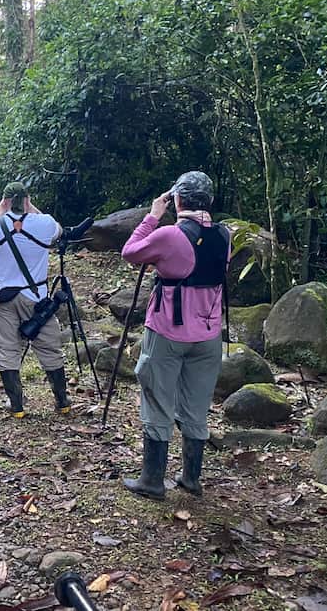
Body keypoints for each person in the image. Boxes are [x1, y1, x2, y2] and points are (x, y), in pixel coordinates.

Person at [120, 171, 230, 501]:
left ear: (177, 200)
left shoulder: (169, 234)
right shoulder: (225, 234)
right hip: (209, 334)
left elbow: (131, 252)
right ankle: (191, 478)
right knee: (196, 405)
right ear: (209, 201)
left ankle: (152, 481)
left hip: (168, 331)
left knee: (157, 398)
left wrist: (153, 216)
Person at [0, 182, 67, 418]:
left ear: (5, 201)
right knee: (49, 346)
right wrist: (30, 207)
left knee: (7, 347)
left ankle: (17, 406)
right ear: (26, 200)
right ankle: (62, 400)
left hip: (2, 297)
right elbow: (59, 231)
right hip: (36, 297)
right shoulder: (44, 223)